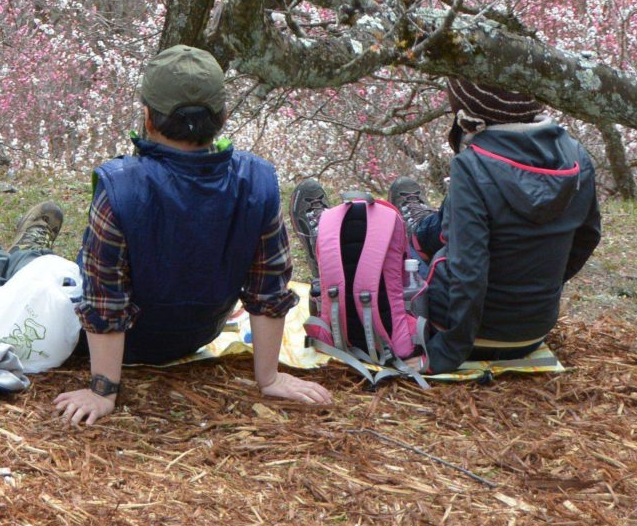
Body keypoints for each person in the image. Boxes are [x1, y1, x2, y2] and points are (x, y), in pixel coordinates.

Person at [47, 45, 332, 427]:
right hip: (195, 335)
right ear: (223, 117)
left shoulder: (121, 187)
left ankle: (15, 249)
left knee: (33, 270)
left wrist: (103, 390)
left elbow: (104, 300)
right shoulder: (257, 182)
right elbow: (269, 289)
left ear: (148, 118)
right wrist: (270, 377)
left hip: (117, 347)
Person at [291, 76, 601, 377]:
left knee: (393, 256)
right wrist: (534, 290)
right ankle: (422, 226)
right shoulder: (577, 157)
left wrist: (447, 352)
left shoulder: (474, 166)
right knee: (439, 232)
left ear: (469, 119)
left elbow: (470, 271)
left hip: (464, 335)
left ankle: (332, 248)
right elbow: (588, 238)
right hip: (532, 331)